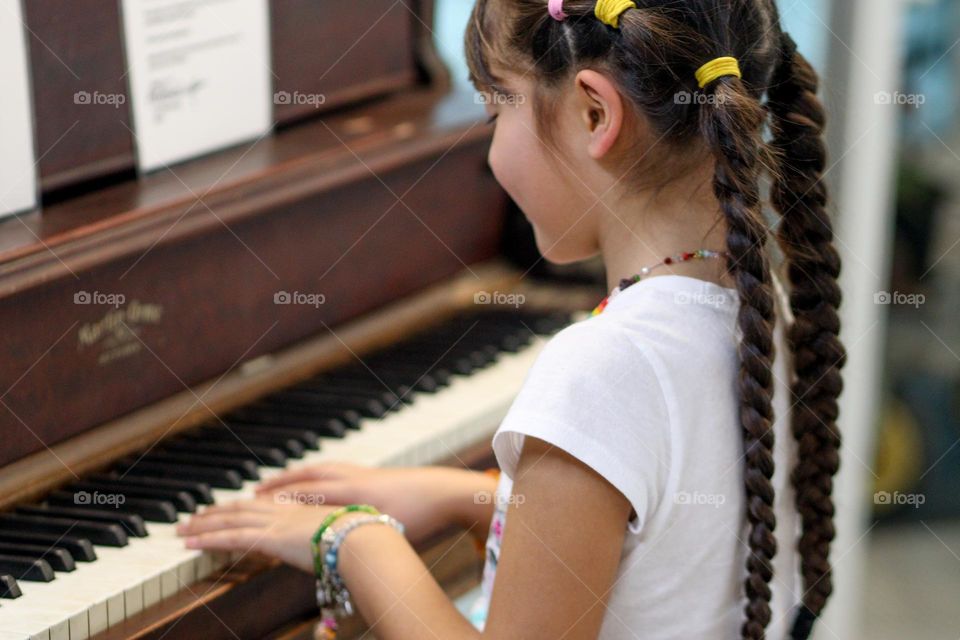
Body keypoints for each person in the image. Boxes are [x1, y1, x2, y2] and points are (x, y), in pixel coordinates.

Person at [175, 0, 846, 638]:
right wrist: (460, 497)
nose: (491, 150)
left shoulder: (604, 370)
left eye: (496, 105)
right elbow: (661, 533)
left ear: (593, 114)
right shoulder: (761, 314)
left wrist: (355, 541)